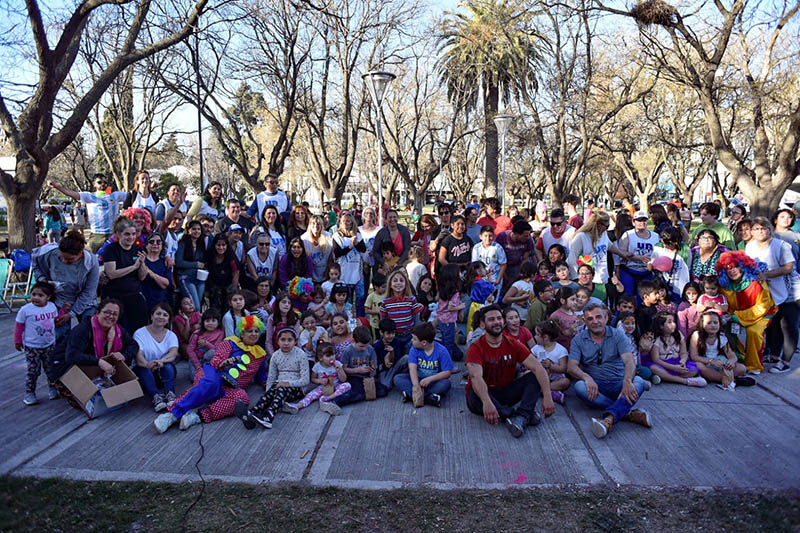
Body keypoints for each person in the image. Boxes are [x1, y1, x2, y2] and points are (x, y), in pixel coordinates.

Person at [154, 315, 267, 433]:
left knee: (242, 398)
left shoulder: (260, 354)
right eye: (249, 331)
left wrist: (270, 384)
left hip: (232, 386)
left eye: (256, 331)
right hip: (215, 373)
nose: (254, 334)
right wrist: (224, 363)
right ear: (242, 333)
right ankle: (171, 415)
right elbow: (216, 360)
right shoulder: (231, 342)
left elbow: (260, 377)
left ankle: (197, 416)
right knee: (210, 383)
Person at [465, 305, 554, 438]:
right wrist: (487, 403)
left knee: (533, 377)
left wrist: (547, 396)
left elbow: (538, 368)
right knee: (477, 394)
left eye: (499, 318)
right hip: (481, 395)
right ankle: (522, 414)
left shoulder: (513, 344)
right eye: (491, 319)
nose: (496, 322)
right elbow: (476, 377)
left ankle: (521, 415)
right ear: (483, 325)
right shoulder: (476, 347)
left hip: (505, 391)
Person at [567, 302, 652, 439]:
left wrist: (627, 381)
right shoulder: (578, 340)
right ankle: (628, 413)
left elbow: (630, 361)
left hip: (619, 383)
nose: (595, 321)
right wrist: (586, 378)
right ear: (585, 321)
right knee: (579, 387)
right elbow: (571, 366)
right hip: (596, 386)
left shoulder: (618, 335)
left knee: (639, 381)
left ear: (606, 318)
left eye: (598, 317)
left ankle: (609, 419)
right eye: (590, 319)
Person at [50, 299, 140, 414]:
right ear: (97, 312)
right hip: (65, 366)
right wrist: (99, 362)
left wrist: (124, 355)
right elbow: (71, 356)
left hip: (89, 364)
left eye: (114, 314)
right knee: (82, 399)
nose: (110, 316)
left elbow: (133, 345)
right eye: (107, 312)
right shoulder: (83, 329)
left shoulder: (117, 329)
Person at [745, 217, 798, 374]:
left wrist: (766, 275)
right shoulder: (750, 246)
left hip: (790, 290)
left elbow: (788, 267)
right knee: (773, 324)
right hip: (766, 292)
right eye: (756, 229)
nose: (760, 232)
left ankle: (786, 361)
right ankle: (773, 355)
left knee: (788, 325)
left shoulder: (781, 245)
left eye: (763, 228)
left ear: (769, 229)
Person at [236, 327, 309, 429]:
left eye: (290, 340)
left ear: (295, 341)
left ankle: (269, 416)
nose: (286, 343)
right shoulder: (275, 355)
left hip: (297, 388)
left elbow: (305, 380)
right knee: (273, 389)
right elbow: (271, 377)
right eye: (283, 340)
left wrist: (287, 384)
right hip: (279, 386)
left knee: (280, 388)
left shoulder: (301, 354)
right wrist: (268, 393)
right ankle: (252, 414)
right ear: (278, 341)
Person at [32, 230, 100, 338]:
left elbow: (90, 291)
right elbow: (35, 261)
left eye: (70, 259)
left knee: (89, 334)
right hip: (60, 301)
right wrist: (42, 279)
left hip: (85, 302)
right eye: (62, 257)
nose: (64, 261)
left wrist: (71, 313)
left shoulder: (91, 262)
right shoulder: (49, 254)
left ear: (81, 254)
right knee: (59, 336)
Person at [716, 251, 776, 374]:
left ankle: (754, 365)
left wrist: (736, 317)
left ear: (743, 267)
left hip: (763, 314)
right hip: (735, 316)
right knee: (727, 329)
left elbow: (762, 306)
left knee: (753, 332)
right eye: (728, 268)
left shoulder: (756, 283)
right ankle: (739, 358)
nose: (732, 271)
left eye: (736, 267)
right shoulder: (725, 285)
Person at [48, 175, 128, 253]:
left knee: (114, 261)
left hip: (113, 233)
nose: (103, 184)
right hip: (97, 234)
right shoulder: (89, 196)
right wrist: (56, 186)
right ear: (94, 184)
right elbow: (72, 193)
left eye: (105, 182)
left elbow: (133, 195)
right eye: (99, 182)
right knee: (95, 261)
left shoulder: (116, 195)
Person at [100, 217, 148, 334]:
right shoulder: (111, 250)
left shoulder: (138, 249)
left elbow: (141, 277)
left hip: (134, 294)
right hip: (115, 296)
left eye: (133, 234)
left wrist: (141, 265)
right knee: (116, 330)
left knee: (137, 328)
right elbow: (111, 274)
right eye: (127, 234)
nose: (131, 237)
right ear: (118, 234)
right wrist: (133, 267)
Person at [15, 281, 59, 405]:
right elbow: (19, 326)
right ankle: (30, 393)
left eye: (40, 295)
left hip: (49, 345)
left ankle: (52, 388)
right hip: (32, 346)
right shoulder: (26, 309)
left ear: (48, 297)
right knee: (33, 370)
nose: (36, 298)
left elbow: (55, 320)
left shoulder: (51, 306)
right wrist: (18, 340)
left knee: (50, 368)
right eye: (33, 294)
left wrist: (64, 310)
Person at [393, 322, 454, 407]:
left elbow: (447, 372)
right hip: (417, 379)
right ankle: (429, 398)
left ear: (424, 342)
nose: (411, 340)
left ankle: (412, 396)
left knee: (446, 384)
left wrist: (430, 379)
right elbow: (412, 368)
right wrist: (415, 385)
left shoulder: (442, 351)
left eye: (414, 339)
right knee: (398, 378)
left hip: (433, 382)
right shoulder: (414, 349)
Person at [133, 303, 179, 412]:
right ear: (152, 316)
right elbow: (138, 356)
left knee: (168, 367)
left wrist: (161, 361)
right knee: (144, 370)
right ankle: (156, 397)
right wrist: (147, 364)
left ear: (168, 320)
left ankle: (170, 395)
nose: (161, 317)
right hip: (144, 372)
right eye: (158, 313)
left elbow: (173, 353)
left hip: (162, 372)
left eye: (165, 315)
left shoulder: (171, 335)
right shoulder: (140, 333)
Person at [689, 311, 751, 390]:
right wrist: (711, 361)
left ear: (719, 324)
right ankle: (731, 380)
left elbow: (732, 355)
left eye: (715, 323)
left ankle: (719, 378)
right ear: (702, 324)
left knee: (742, 368)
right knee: (698, 365)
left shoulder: (721, 337)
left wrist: (731, 361)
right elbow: (693, 356)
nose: (713, 326)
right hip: (705, 362)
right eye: (709, 323)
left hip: (719, 364)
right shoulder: (696, 335)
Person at [285, 342, 349, 415]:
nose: (332, 357)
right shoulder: (317, 366)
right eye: (328, 356)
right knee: (310, 395)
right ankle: (297, 406)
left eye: (333, 354)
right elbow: (312, 379)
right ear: (321, 358)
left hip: (336, 386)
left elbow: (344, 379)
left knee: (347, 385)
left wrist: (339, 370)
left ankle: (327, 399)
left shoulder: (338, 363)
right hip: (323, 387)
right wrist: (320, 381)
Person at [645, 311, 707, 387]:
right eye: (669, 322)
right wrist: (673, 368)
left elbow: (683, 352)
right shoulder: (657, 339)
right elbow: (656, 359)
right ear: (661, 326)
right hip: (663, 364)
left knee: (693, 369)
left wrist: (683, 361)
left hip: (677, 362)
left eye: (674, 321)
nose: (674, 324)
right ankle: (685, 381)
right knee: (654, 368)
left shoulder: (678, 335)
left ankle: (666, 378)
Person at [567, 211, 630, 283]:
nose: (607, 229)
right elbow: (572, 259)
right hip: (587, 280)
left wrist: (622, 254)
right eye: (606, 226)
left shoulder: (604, 234)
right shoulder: (582, 237)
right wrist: (578, 278)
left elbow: (609, 245)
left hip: (602, 277)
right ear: (598, 225)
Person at [379, 269, 423, 357]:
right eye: (395, 281)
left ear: (406, 284)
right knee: (396, 358)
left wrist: (417, 335)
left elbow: (416, 319)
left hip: (409, 335)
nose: (398, 283)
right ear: (390, 285)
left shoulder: (411, 299)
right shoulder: (385, 302)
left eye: (401, 280)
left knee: (408, 357)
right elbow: (384, 321)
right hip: (394, 337)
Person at [616, 210, 658, 298]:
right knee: (627, 298)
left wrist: (652, 262)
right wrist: (637, 257)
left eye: (644, 220)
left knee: (644, 299)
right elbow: (620, 253)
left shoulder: (655, 236)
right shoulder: (628, 235)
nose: (642, 223)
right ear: (633, 222)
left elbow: (659, 254)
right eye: (639, 220)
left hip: (646, 272)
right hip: (629, 270)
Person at [532, 319, 570, 405]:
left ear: (545, 337)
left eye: (537, 335)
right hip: (540, 377)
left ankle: (542, 390)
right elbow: (531, 363)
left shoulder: (560, 350)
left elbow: (563, 369)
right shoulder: (536, 348)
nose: (535, 337)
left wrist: (551, 366)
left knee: (566, 382)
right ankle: (552, 393)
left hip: (555, 380)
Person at [332, 212, 366, 307]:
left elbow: (363, 249)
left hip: (357, 272)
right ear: (340, 223)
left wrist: (356, 242)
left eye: (348, 221)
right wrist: (350, 247)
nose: (346, 224)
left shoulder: (358, 235)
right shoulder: (337, 236)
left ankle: (360, 318)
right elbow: (337, 252)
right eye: (344, 222)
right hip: (344, 272)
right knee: (347, 300)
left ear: (352, 223)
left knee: (360, 298)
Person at [175, 220, 207, 311]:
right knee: (194, 306)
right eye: (194, 229)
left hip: (199, 278)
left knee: (199, 306)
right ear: (188, 230)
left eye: (199, 229)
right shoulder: (183, 243)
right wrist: (196, 264)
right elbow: (179, 262)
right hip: (186, 277)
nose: (197, 231)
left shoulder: (201, 244)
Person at [140, 232, 173, 312]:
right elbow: (141, 277)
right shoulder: (141, 260)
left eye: (159, 242)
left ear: (162, 246)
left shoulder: (166, 262)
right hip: (143, 302)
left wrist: (151, 273)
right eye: (151, 242)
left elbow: (166, 284)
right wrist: (142, 263)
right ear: (146, 245)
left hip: (160, 302)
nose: (155, 244)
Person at [493, 220, 532, 285]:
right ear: (516, 234)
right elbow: (496, 257)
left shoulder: (528, 240)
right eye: (525, 235)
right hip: (501, 267)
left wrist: (520, 273)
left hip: (518, 267)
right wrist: (503, 274)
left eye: (529, 235)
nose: (528, 237)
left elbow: (525, 258)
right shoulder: (502, 237)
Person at [302, 215, 334, 284]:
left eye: (318, 223)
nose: (316, 225)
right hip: (310, 273)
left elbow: (331, 256)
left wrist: (328, 270)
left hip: (325, 272)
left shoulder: (328, 237)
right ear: (310, 225)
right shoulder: (304, 238)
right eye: (313, 223)